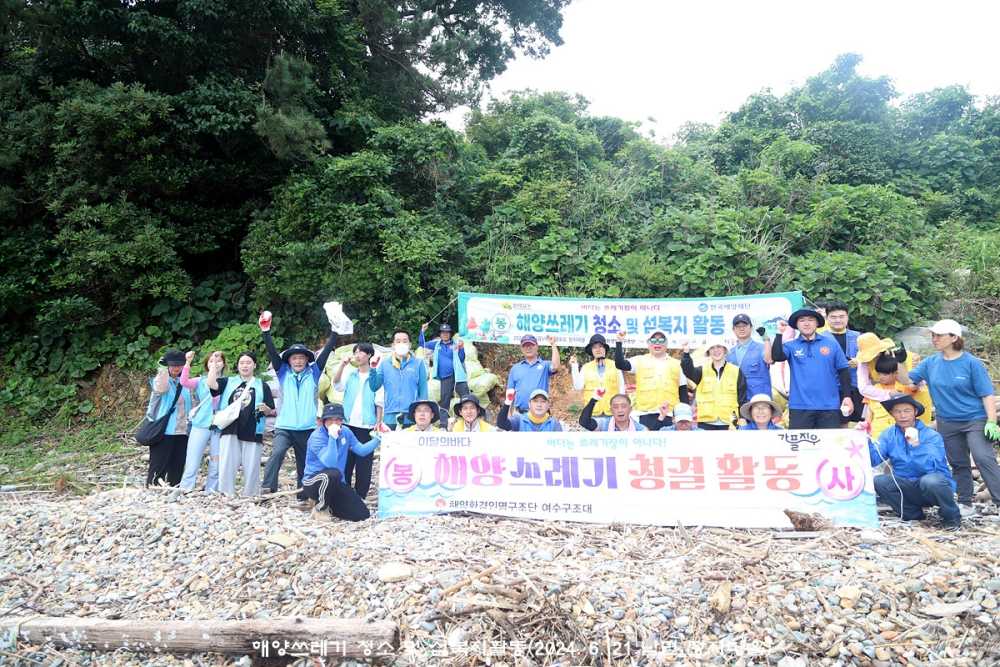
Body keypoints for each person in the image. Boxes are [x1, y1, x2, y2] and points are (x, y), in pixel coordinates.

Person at [901, 319, 1000, 517]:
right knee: (957, 462)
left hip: (975, 419)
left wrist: (991, 420)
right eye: (933, 335)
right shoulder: (931, 363)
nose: (934, 339)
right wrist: (897, 362)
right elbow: (908, 381)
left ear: (954, 338)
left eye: (939, 335)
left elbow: (986, 394)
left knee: (983, 457)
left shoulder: (971, 363)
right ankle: (965, 502)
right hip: (947, 421)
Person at [260, 312, 338, 493]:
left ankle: (304, 492)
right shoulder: (283, 373)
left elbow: (325, 353)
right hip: (285, 426)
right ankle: (267, 488)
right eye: (294, 358)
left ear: (306, 361)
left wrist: (334, 333)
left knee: (305, 460)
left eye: (301, 358)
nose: (298, 361)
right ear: (289, 361)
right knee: (277, 453)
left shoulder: (314, 373)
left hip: (307, 427)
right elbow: (272, 352)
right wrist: (266, 331)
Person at [868, 394, 961, 530]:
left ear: (915, 412)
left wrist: (916, 445)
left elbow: (931, 465)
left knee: (931, 481)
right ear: (892, 414)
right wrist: (865, 440)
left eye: (907, 411)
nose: (902, 415)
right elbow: (874, 460)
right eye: (898, 411)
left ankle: (951, 516)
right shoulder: (888, 435)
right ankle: (912, 514)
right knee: (879, 481)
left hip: (933, 487)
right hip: (906, 485)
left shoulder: (931, 435)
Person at [766, 308, 853, 429]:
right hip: (799, 406)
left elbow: (843, 371)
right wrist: (779, 332)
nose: (806, 323)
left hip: (829, 406)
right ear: (796, 325)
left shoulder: (831, 344)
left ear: (817, 323)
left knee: (828, 446)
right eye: (802, 320)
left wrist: (847, 396)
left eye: (811, 320)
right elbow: (777, 356)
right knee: (800, 446)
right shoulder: (791, 345)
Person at [209, 351, 276, 497]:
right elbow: (211, 385)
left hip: (253, 428)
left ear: (254, 365)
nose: (245, 366)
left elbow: (270, 408)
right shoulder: (228, 381)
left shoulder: (262, 385)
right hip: (230, 427)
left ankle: (250, 494)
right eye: (242, 363)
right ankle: (226, 492)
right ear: (237, 366)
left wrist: (266, 409)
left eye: (248, 362)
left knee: (252, 464)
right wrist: (213, 365)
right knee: (227, 462)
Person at [300, 404, 380, 521]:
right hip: (313, 481)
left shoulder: (346, 432)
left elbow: (361, 450)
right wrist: (332, 438)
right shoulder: (317, 436)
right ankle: (320, 507)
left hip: (336, 482)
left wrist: (379, 438)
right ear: (324, 421)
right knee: (332, 474)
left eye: (337, 419)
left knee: (361, 514)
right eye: (330, 419)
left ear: (342, 421)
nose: (334, 423)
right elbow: (330, 463)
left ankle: (331, 504)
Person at [327, 342, 384, 500]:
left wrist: (378, 423)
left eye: (361, 352)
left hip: (367, 426)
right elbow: (337, 385)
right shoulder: (350, 374)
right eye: (356, 352)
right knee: (345, 460)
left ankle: (360, 496)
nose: (357, 355)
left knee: (364, 463)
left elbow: (379, 401)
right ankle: (344, 493)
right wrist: (342, 365)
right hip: (347, 424)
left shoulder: (376, 376)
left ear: (369, 356)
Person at [854, 337, 932, 439]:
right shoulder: (864, 362)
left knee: (917, 434)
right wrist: (889, 394)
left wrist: (900, 364)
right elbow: (864, 388)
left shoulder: (902, 355)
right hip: (886, 399)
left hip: (912, 392)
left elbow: (912, 383)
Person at [614, 330, 689, 430]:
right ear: (648, 344)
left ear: (666, 344)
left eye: (661, 340)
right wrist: (619, 342)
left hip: (670, 415)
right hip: (645, 415)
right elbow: (620, 364)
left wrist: (685, 416)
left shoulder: (677, 364)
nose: (657, 343)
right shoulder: (639, 360)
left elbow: (683, 392)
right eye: (653, 340)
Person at [179, 350, 225, 492]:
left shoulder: (229, 382)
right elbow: (184, 382)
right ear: (206, 365)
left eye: (218, 360)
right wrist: (187, 362)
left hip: (219, 426)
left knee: (216, 462)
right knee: (192, 459)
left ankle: (211, 490)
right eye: (211, 361)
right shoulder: (201, 381)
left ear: (224, 364)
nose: (215, 363)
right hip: (200, 424)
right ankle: (186, 488)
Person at [145, 349, 193, 486]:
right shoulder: (160, 380)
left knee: (177, 464)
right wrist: (163, 369)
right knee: (158, 464)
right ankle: (153, 489)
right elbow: (161, 388)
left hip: (183, 430)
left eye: (179, 365)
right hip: (164, 430)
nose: (176, 368)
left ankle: (174, 489)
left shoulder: (185, 383)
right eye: (173, 365)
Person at [681, 340, 748, 430]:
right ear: (708, 352)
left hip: (731, 422)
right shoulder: (701, 370)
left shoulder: (736, 371)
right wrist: (686, 353)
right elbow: (687, 370)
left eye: (719, 347)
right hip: (706, 421)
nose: (716, 350)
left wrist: (743, 417)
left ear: (725, 350)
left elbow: (742, 398)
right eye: (712, 348)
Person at [369, 330, 429, 430]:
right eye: (398, 341)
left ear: (410, 345)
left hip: (411, 415)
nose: (401, 344)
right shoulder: (385, 364)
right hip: (390, 416)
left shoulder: (418, 364)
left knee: (410, 445)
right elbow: (374, 386)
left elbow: (423, 391)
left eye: (405, 341)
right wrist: (373, 369)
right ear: (393, 345)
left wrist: (422, 413)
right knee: (392, 445)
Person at [822, 302, 863, 423]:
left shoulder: (858, 337)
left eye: (841, 316)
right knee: (836, 424)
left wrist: (859, 361)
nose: (838, 320)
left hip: (857, 387)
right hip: (831, 388)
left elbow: (870, 358)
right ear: (827, 318)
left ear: (847, 317)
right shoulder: (820, 338)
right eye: (833, 317)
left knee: (860, 423)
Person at [420, 322, 468, 422]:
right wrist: (422, 331)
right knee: (444, 401)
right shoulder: (436, 344)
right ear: (440, 334)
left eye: (447, 332)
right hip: (445, 377)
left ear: (450, 334)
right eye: (443, 332)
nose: (445, 334)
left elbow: (462, 358)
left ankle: (468, 421)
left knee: (466, 398)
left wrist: (462, 348)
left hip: (458, 376)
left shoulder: (455, 344)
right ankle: (443, 424)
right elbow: (422, 343)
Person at [570, 334, 624, 419]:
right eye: (594, 347)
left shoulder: (615, 365)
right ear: (591, 350)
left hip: (613, 413)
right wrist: (574, 367)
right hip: (593, 414)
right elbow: (578, 387)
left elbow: (621, 388)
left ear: (605, 349)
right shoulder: (586, 367)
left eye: (600, 346)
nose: (598, 349)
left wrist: (622, 410)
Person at [506, 335, 561, 413]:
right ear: (521, 349)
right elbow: (510, 393)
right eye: (525, 345)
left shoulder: (545, 365)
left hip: (540, 414)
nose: (528, 348)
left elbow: (556, 366)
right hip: (520, 414)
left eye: (531, 345)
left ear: (537, 346)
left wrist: (553, 344)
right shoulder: (515, 368)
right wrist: (508, 414)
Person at [727, 314, 771, 399]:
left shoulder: (762, 347)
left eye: (744, 325)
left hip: (759, 399)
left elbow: (769, 359)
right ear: (733, 330)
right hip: (737, 399)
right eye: (738, 326)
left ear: (751, 327)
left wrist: (766, 339)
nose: (741, 329)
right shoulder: (729, 353)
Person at [498, 389, 563, 432]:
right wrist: (508, 402)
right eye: (535, 401)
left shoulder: (554, 424)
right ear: (529, 404)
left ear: (548, 405)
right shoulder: (519, 420)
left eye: (543, 402)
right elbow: (502, 424)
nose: (539, 405)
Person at [579, 391, 647, 432]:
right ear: (611, 410)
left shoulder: (640, 430)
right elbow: (584, 422)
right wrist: (593, 400)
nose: (620, 410)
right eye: (615, 407)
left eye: (623, 406)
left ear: (630, 409)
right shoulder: (604, 424)